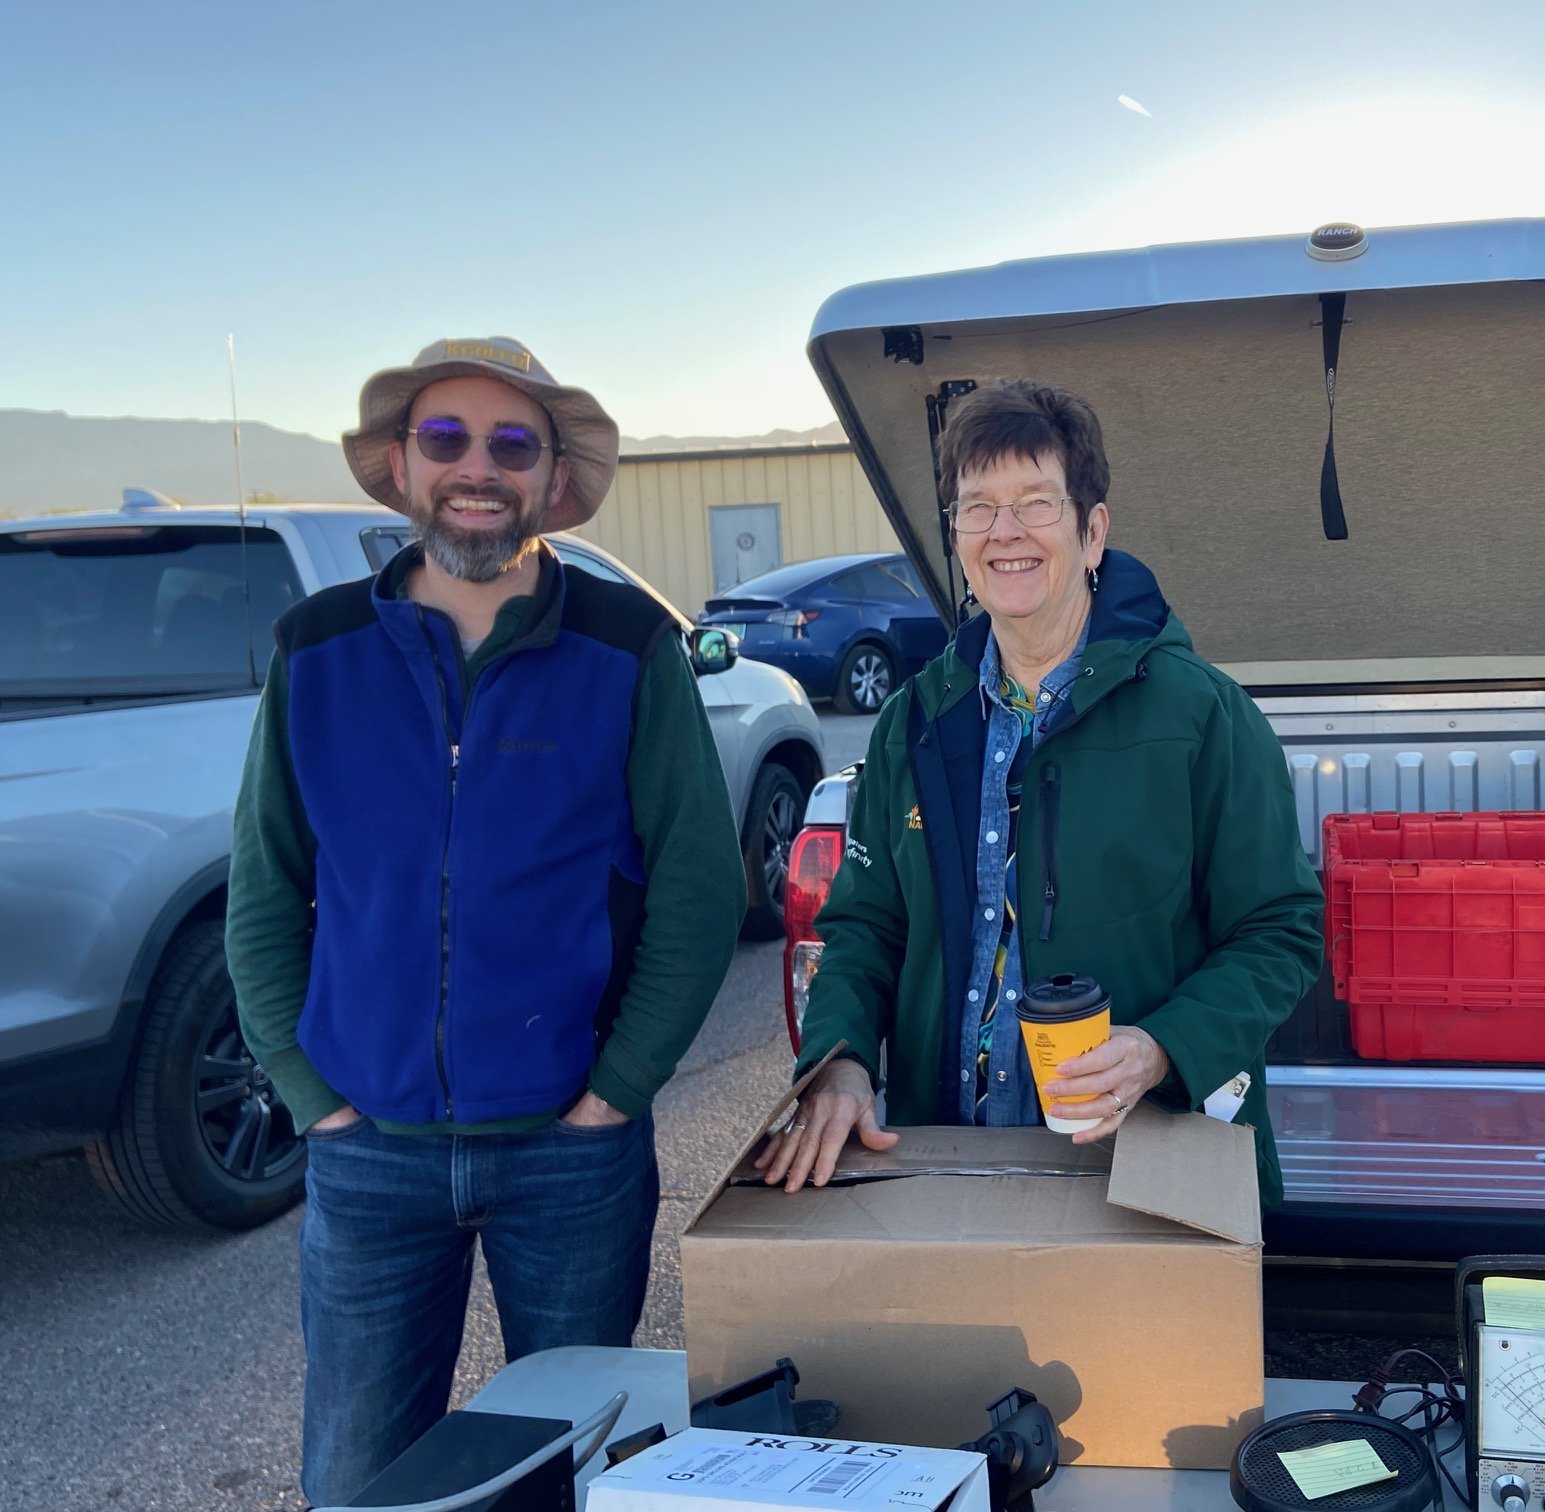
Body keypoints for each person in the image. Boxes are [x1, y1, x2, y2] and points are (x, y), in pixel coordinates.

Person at [226, 336, 745, 1506]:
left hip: (569, 1156)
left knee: (570, 1477)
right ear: (403, 467)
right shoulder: (316, 655)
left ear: (551, 478)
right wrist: (319, 1102)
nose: (478, 467)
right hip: (369, 1162)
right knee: (360, 1483)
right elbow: (264, 891)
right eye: (447, 439)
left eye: (513, 444)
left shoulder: (627, 649)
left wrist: (614, 1093)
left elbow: (700, 890)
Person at [756, 379, 1322, 1202]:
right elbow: (864, 929)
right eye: (977, 508)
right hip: (944, 1167)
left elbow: (1282, 930)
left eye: (1035, 503)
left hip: (1149, 1171)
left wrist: (1164, 1047)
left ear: (1093, 534)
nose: (1005, 533)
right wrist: (840, 1060)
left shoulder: (1201, 714)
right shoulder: (914, 720)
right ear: (954, 535)